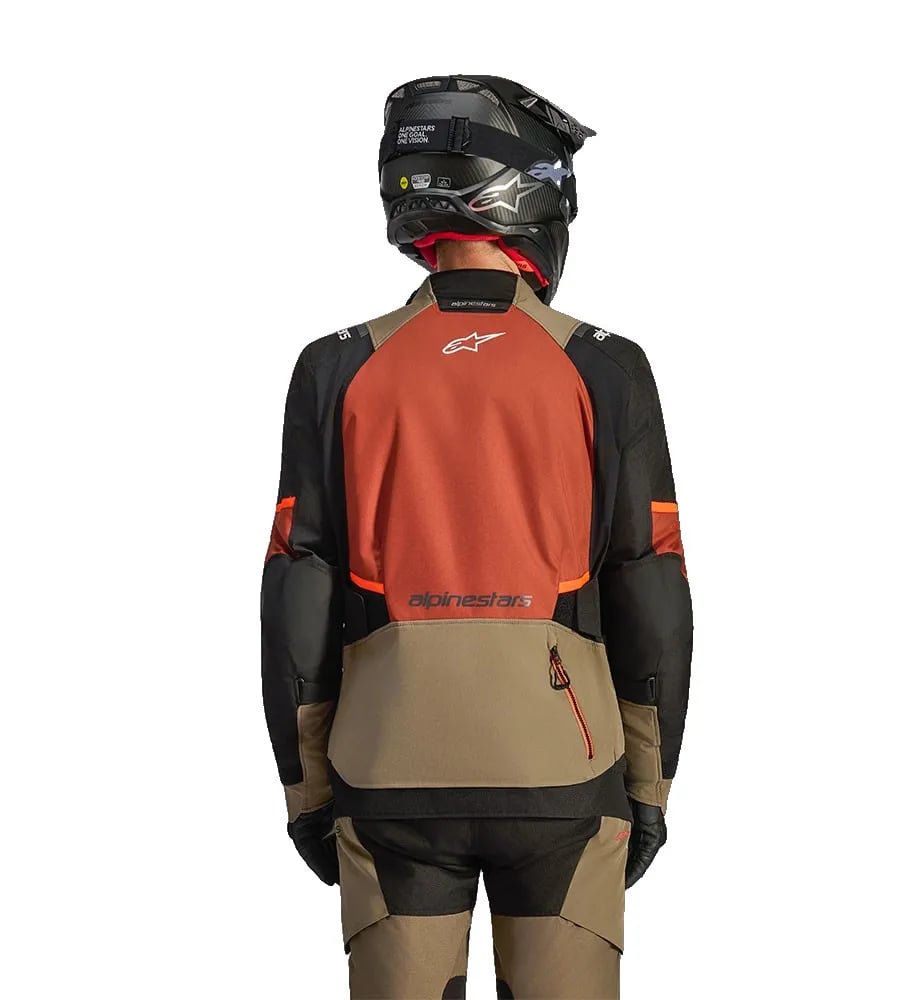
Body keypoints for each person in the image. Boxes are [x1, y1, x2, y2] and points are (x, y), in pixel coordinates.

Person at [260, 75, 693, 1000]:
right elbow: (650, 588)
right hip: (566, 776)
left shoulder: (337, 366)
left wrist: (306, 791)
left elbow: (297, 594)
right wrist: (650, 791)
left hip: (386, 774)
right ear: (529, 193)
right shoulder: (606, 368)